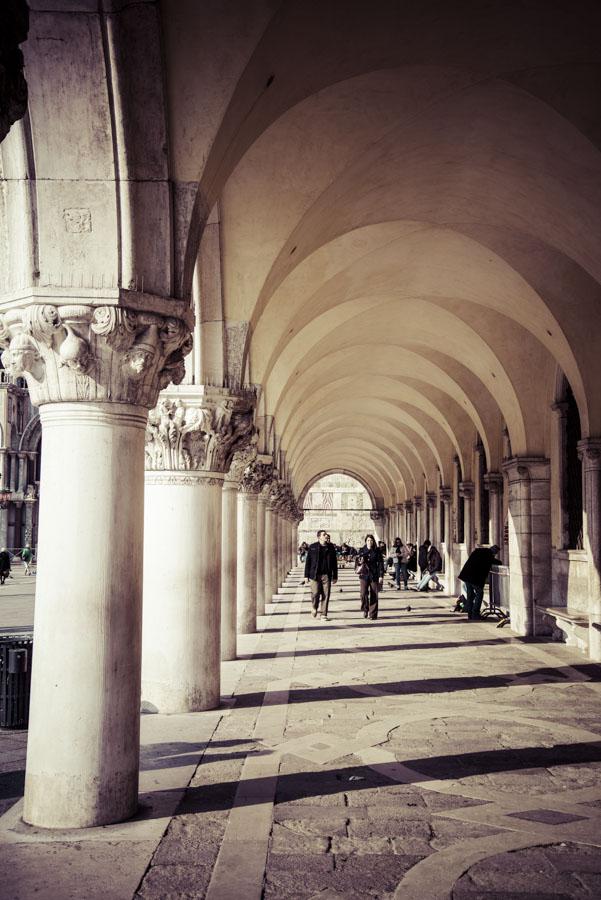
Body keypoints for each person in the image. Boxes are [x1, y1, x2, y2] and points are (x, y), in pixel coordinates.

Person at [458, 544, 502, 620]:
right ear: (494, 552)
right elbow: (497, 562)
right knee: (480, 593)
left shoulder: (479, 551)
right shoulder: (488, 555)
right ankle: (475, 613)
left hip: (466, 575)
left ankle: (470, 614)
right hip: (474, 578)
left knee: (470, 595)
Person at [304, 529, 338, 620]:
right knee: (315, 593)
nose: (326, 536)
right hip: (314, 575)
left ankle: (323, 614)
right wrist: (306, 576)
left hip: (326, 574)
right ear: (319, 537)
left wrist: (335, 576)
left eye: (326, 534)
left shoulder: (331, 547)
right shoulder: (313, 547)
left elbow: (334, 563)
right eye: (324, 535)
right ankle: (314, 607)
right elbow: (308, 562)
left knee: (326, 594)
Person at [355, 533, 384, 619]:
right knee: (363, 593)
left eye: (371, 540)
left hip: (374, 574)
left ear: (373, 541)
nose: (369, 542)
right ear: (365, 541)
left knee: (374, 594)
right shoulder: (361, 550)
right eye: (368, 540)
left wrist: (381, 575)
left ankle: (373, 614)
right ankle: (365, 608)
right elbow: (357, 562)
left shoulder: (377, 551)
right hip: (364, 575)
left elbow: (380, 564)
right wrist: (361, 560)